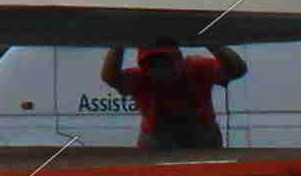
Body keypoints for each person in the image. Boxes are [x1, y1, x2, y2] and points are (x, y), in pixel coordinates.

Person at [99, 37, 248, 150]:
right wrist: (119, 43)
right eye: (151, 64)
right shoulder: (139, 77)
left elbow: (237, 70)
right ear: (143, 66)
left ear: (179, 59)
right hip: (157, 141)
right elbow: (110, 77)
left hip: (202, 138)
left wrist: (211, 42)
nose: (159, 69)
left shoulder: (197, 68)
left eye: (164, 62)